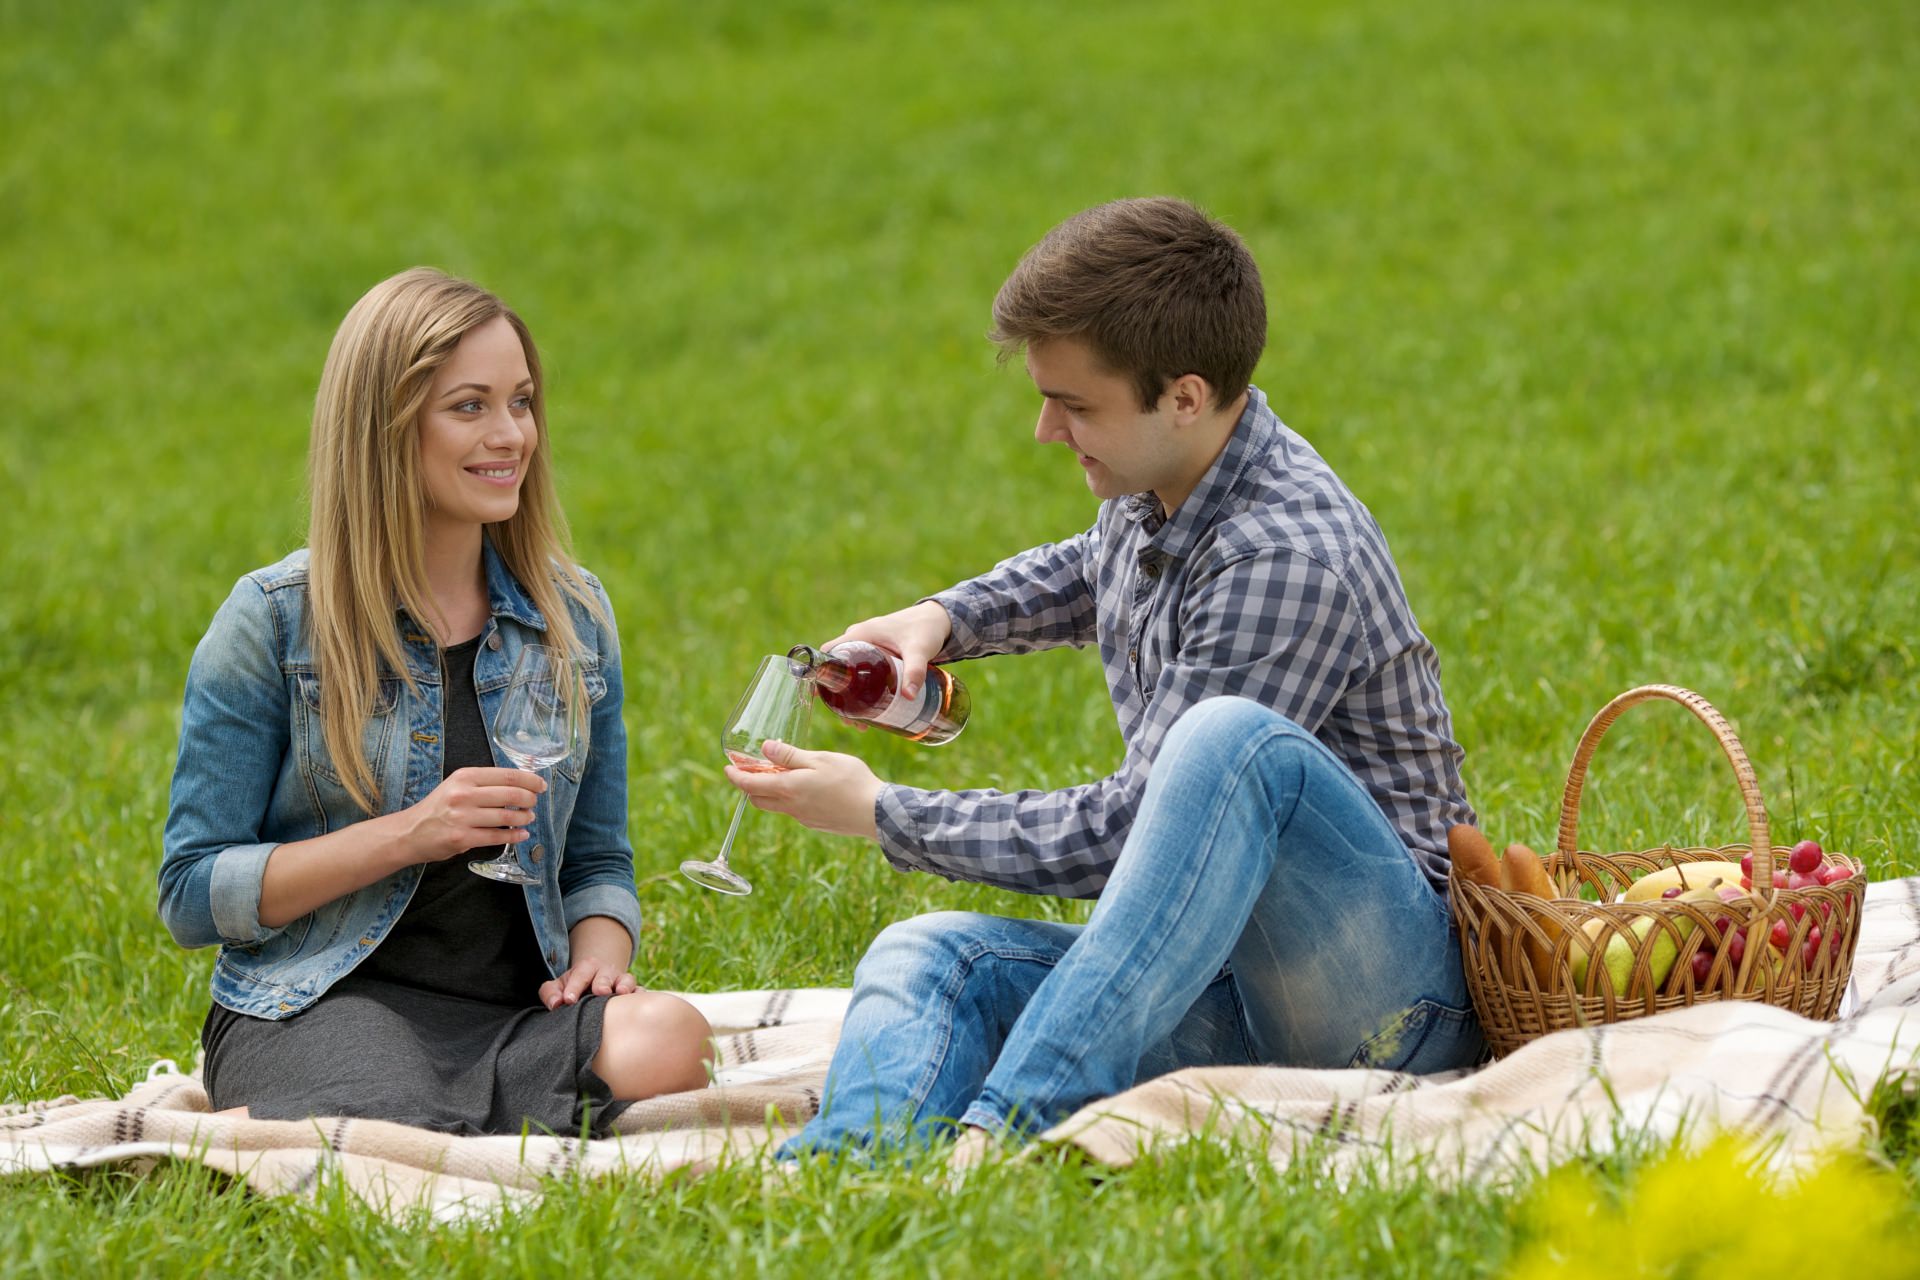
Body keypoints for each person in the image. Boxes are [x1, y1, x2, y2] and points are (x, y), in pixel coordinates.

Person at [727, 198, 1484, 1157]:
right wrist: (944, 619)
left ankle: (1004, 1141)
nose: (1047, 429)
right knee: (929, 954)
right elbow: (1091, 569)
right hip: (1222, 977)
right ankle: (849, 1173)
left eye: (1077, 405)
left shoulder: (1286, 554)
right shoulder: (1165, 477)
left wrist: (885, 814)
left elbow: (1128, 830)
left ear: (1184, 396)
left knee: (1225, 741)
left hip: (1382, 1009)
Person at [159, 268, 711, 1136]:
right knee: (384, 1113)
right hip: (329, 1004)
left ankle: (437, 1123)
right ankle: (404, 1124)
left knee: (672, 1040)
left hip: (517, 1015)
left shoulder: (572, 615)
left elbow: (597, 862)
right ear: (384, 427)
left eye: (521, 402)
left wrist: (599, 959)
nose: (511, 434)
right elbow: (192, 892)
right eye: (469, 407)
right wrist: (411, 833)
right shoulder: (273, 620)